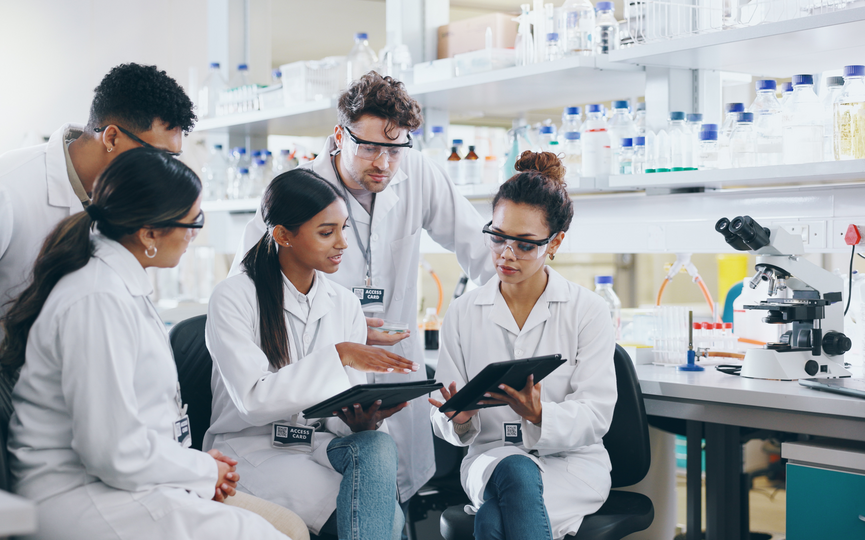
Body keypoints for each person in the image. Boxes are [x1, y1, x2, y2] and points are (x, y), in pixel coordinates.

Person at [0, 63, 194, 478]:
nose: (166, 172)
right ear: (112, 137)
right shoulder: (3, 191)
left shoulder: (121, 206)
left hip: (61, 432)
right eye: (159, 157)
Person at [1, 148, 300, 540]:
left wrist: (193, 467)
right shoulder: (98, 299)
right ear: (149, 234)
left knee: (286, 529)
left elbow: (137, 426)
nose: (195, 234)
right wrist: (201, 470)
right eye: (193, 222)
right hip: (80, 495)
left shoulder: (120, 285)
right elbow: (111, 451)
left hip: (123, 481)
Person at [229, 71, 493, 509]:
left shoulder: (418, 174)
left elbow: (482, 251)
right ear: (339, 136)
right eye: (369, 147)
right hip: (320, 374)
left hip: (395, 366)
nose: (383, 163)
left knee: (392, 494)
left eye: (395, 149)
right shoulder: (296, 192)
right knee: (349, 498)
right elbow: (253, 290)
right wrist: (341, 330)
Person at [206, 169, 416, 538]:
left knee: (377, 444)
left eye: (343, 228)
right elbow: (253, 402)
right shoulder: (234, 297)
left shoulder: (344, 304)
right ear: (283, 235)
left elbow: (341, 409)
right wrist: (339, 355)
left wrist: (360, 421)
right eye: (326, 232)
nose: (342, 243)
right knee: (382, 522)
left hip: (318, 445)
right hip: (256, 448)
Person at [428, 151, 617, 540]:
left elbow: (596, 415)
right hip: (491, 459)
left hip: (570, 466)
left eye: (525, 245)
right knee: (514, 471)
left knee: (494, 517)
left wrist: (539, 414)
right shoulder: (463, 312)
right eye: (497, 237)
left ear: (555, 242)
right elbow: (444, 411)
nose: (506, 255)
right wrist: (458, 419)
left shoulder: (587, 310)